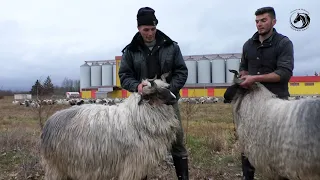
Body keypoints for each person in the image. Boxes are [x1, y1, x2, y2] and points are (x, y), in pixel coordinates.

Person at [118, 7, 189, 180]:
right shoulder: (131, 51)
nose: (150, 33)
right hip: (142, 104)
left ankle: (183, 177)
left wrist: (170, 90)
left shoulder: (171, 46)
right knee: (140, 143)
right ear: (139, 29)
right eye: (146, 30)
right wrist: (138, 87)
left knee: (177, 141)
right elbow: (124, 76)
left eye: (153, 29)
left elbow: (181, 71)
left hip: (167, 102)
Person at [238, 7, 294, 180]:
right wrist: (244, 75)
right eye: (257, 21)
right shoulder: (248, 44)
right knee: (248, 143)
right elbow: (243, 68)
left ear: (273, 21)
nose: (259, 24)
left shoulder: (283, 43)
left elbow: (284, 73)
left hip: (278, 104)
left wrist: (254, 78)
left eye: (263, 20)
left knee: (278, 146)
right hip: (253, 105)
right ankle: (248, 177)